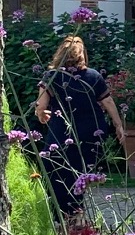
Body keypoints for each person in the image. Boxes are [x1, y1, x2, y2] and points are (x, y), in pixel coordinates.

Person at [34, 34, 124, 219]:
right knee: (81, 174)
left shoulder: (51, 77)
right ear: (82, 54)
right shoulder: (94, 76)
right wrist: (118, 125)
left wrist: (42, 115)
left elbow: (40, 106)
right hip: (91, 132)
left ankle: (62, 217)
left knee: (57, 171)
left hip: (61, 132)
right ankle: (78, 214)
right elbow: (107, 102)